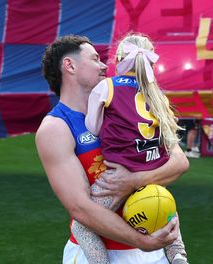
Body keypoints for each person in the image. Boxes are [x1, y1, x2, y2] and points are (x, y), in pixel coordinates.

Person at [36, 35, 189, 263]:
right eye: (95, 59)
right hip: (100, 253)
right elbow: (81, 208)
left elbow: (179, 162)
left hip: (154, 248)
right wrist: (142, 242)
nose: (105, 65)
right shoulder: (55, 127)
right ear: (70, 65)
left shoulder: (124, 105)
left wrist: (135, 180)